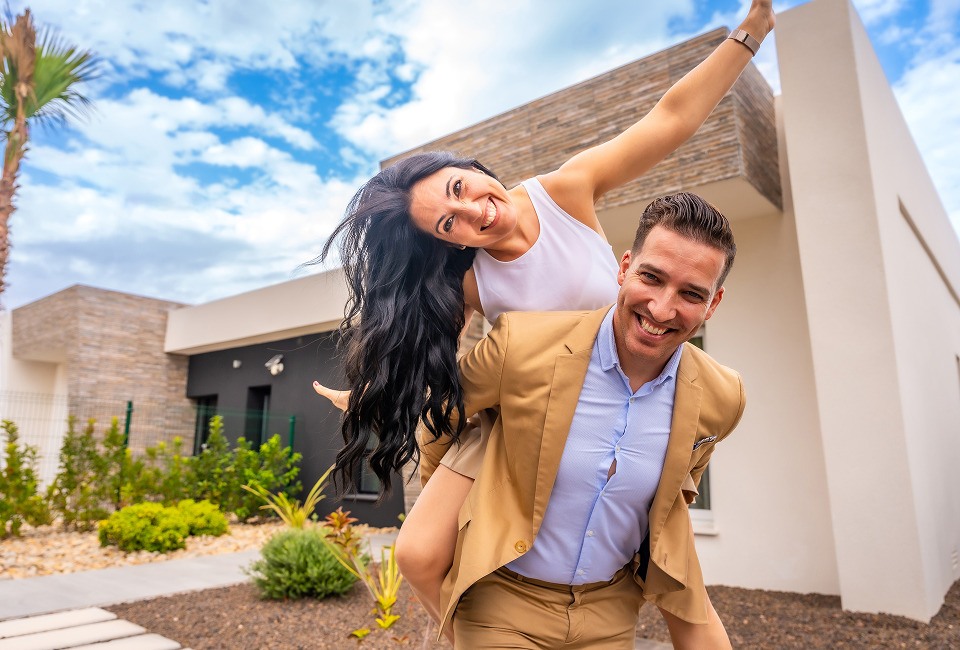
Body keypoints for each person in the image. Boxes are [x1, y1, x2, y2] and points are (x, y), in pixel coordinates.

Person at [313, 0, 773, 642]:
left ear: (468, 168)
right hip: (524, 410)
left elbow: (669, 118)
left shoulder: (566, 190)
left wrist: (749, 34)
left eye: (457, 189)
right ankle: (478, 629)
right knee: (417, 554)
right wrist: (375, 395)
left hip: (622, 393)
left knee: (673, 567)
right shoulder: (470, 280)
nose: (473, 212)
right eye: (449, 224)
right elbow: (443, 377)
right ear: (445, 242)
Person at [419, 192, 745, 648]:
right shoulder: (522, 345)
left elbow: (680, 487)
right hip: (501, 604)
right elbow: (440, 419)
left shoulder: (723, 396)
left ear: (713, 303)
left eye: (692, 294)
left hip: (610, 615)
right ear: (625, 267)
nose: (662, 309)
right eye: (651, 278)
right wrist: (451, 510)